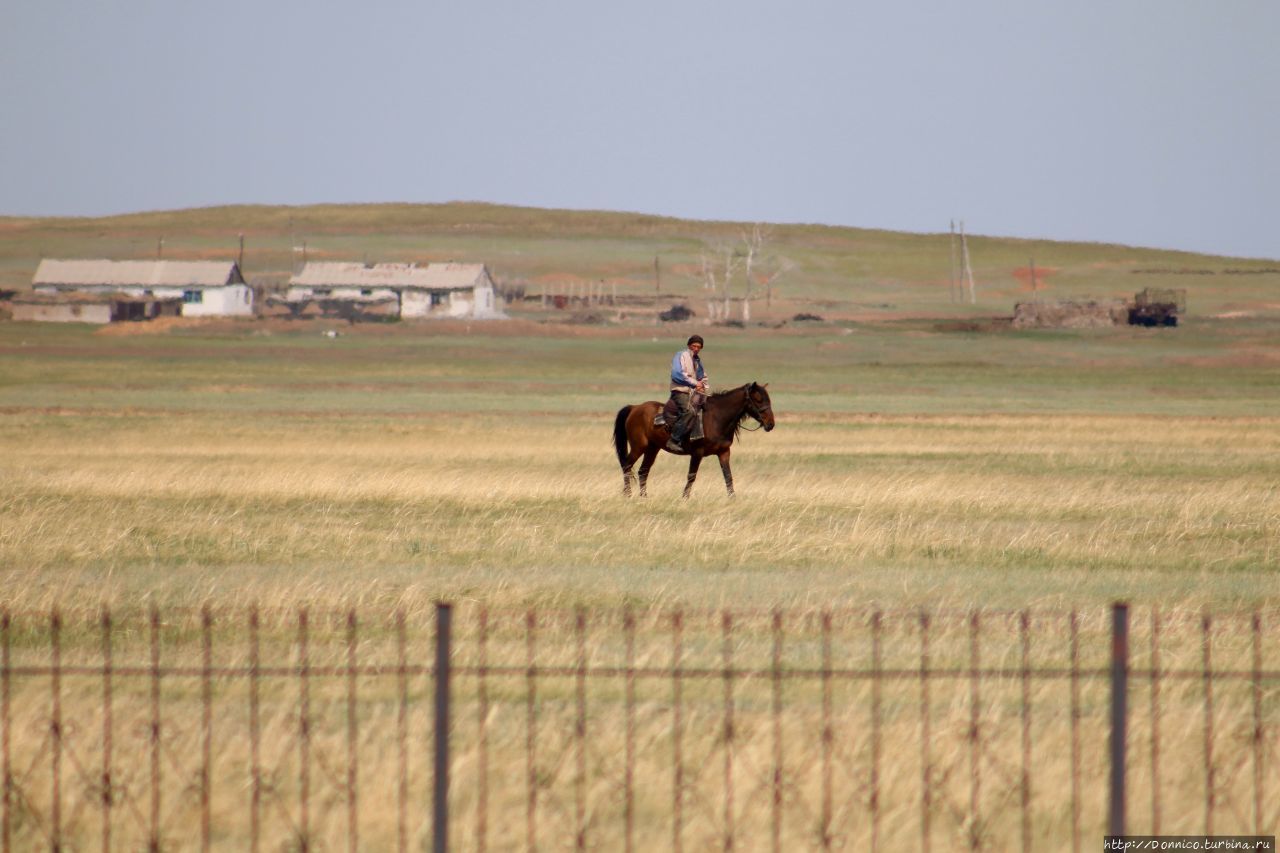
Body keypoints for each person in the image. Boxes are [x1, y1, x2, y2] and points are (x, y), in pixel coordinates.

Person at [666, 334, 708, 452]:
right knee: (689, 412)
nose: (696, 348)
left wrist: (702, 386)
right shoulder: (681, 355)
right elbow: (677, 374)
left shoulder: (697, 361)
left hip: (694, 392)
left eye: (699, 347)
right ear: (689, 345)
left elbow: (703, 377)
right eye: (694, 346)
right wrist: (695, 384)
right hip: (680, 391)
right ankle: (673, 440)